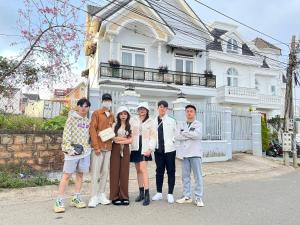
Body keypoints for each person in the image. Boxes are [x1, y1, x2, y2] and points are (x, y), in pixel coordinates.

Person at [53, 98, 92, 213]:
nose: (84, 108)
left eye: (86, 106)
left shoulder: (87, 121)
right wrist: (69, 149)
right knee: (66, 176)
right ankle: (59, 200)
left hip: (84, 153)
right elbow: (66, 135)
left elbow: (89, 137)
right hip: (72, 153)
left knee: (80, 175)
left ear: (88, 108)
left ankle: (76, 197)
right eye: (81, 106)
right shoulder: (71, 119)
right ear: (78, 107)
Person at [175, 104, 205, 207]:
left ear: (194, 113)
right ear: (185, 113)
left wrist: (184, 133)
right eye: (187, 111)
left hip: (195, 153)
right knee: (185, 177)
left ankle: (198, 197)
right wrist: (187, 134)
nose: (189, 113)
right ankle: (186, 196)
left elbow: (197, 135)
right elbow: (177, 136)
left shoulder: (198, 124)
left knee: (198, 176)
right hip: (184, 155)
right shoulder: (181, 124)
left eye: (191, 111)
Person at [88, 93, 115, 208]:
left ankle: (101, 194)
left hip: (108, 148)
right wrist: (96, 146)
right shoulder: (96, 113)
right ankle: (93, 196)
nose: (107, 102)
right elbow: (92, 130)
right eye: (105, 100)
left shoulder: (112, 115)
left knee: (105, 172)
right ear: (102, 101)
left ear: (111, 102)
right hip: (98, 148)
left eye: (109, 100)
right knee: (95, 173)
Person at [130, 102, 157, 206]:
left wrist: (150, 149)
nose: (142, 110)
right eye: (140, 109)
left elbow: (154, 136)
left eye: (144, 109)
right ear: (138, 110)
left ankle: (147, 194)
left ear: (147, 111)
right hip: (135, 147)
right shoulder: (133, 120)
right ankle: (141, 192)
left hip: (145, 147)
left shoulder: (151, 121)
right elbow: (129, 132)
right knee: (138, 171)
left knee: (143, 170)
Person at [152, 100, 177, 204]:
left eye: (164, 107)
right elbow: (152, 135)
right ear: (158, 108)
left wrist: (172, 141)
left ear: (167, 109)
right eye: (160, 107)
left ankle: (170, 193)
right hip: (158, 150)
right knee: (159, 171)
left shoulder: (171, 120)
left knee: (171, 171)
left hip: (170, 150)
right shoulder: (153, 121)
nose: (161, 109)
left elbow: (177, 133)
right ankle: (159, 192)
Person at [110, 106, 132, 206]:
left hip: (126, 150)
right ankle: (114, 196)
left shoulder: (130, 126)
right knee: (114, 172)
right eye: (121, 114)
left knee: (124, 173)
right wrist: (123, 139)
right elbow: (113, 139)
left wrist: (120, 139)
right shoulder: (114, 125)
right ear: (118, 115)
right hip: (115, 149)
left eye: (125, 114)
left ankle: (124, 196)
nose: (123, 116)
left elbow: (131, 140)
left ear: (127, 115)